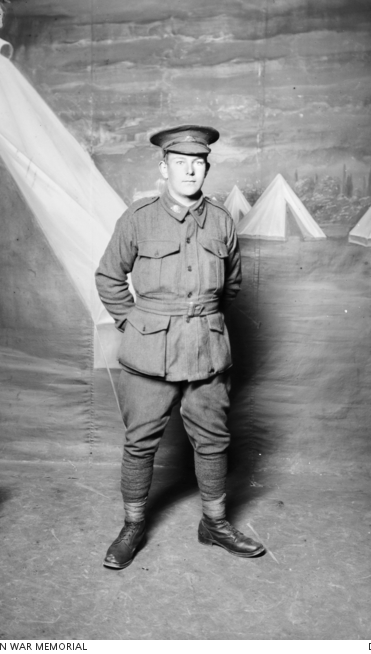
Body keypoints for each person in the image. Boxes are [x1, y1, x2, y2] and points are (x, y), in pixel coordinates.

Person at [95, 124, 265, 569]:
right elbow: (109, 277)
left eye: (198, 163)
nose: (190, 171)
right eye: (180, 162)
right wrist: (136, 325)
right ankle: (133, 526)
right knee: (140, 443)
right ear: (163, 167)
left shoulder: (222, 221)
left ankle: (215, 524)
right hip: (148, 353)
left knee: (213, 441)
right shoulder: (138, 217)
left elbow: (231, 285)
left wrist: (203, 322)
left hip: (207, 351)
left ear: (206, 168)